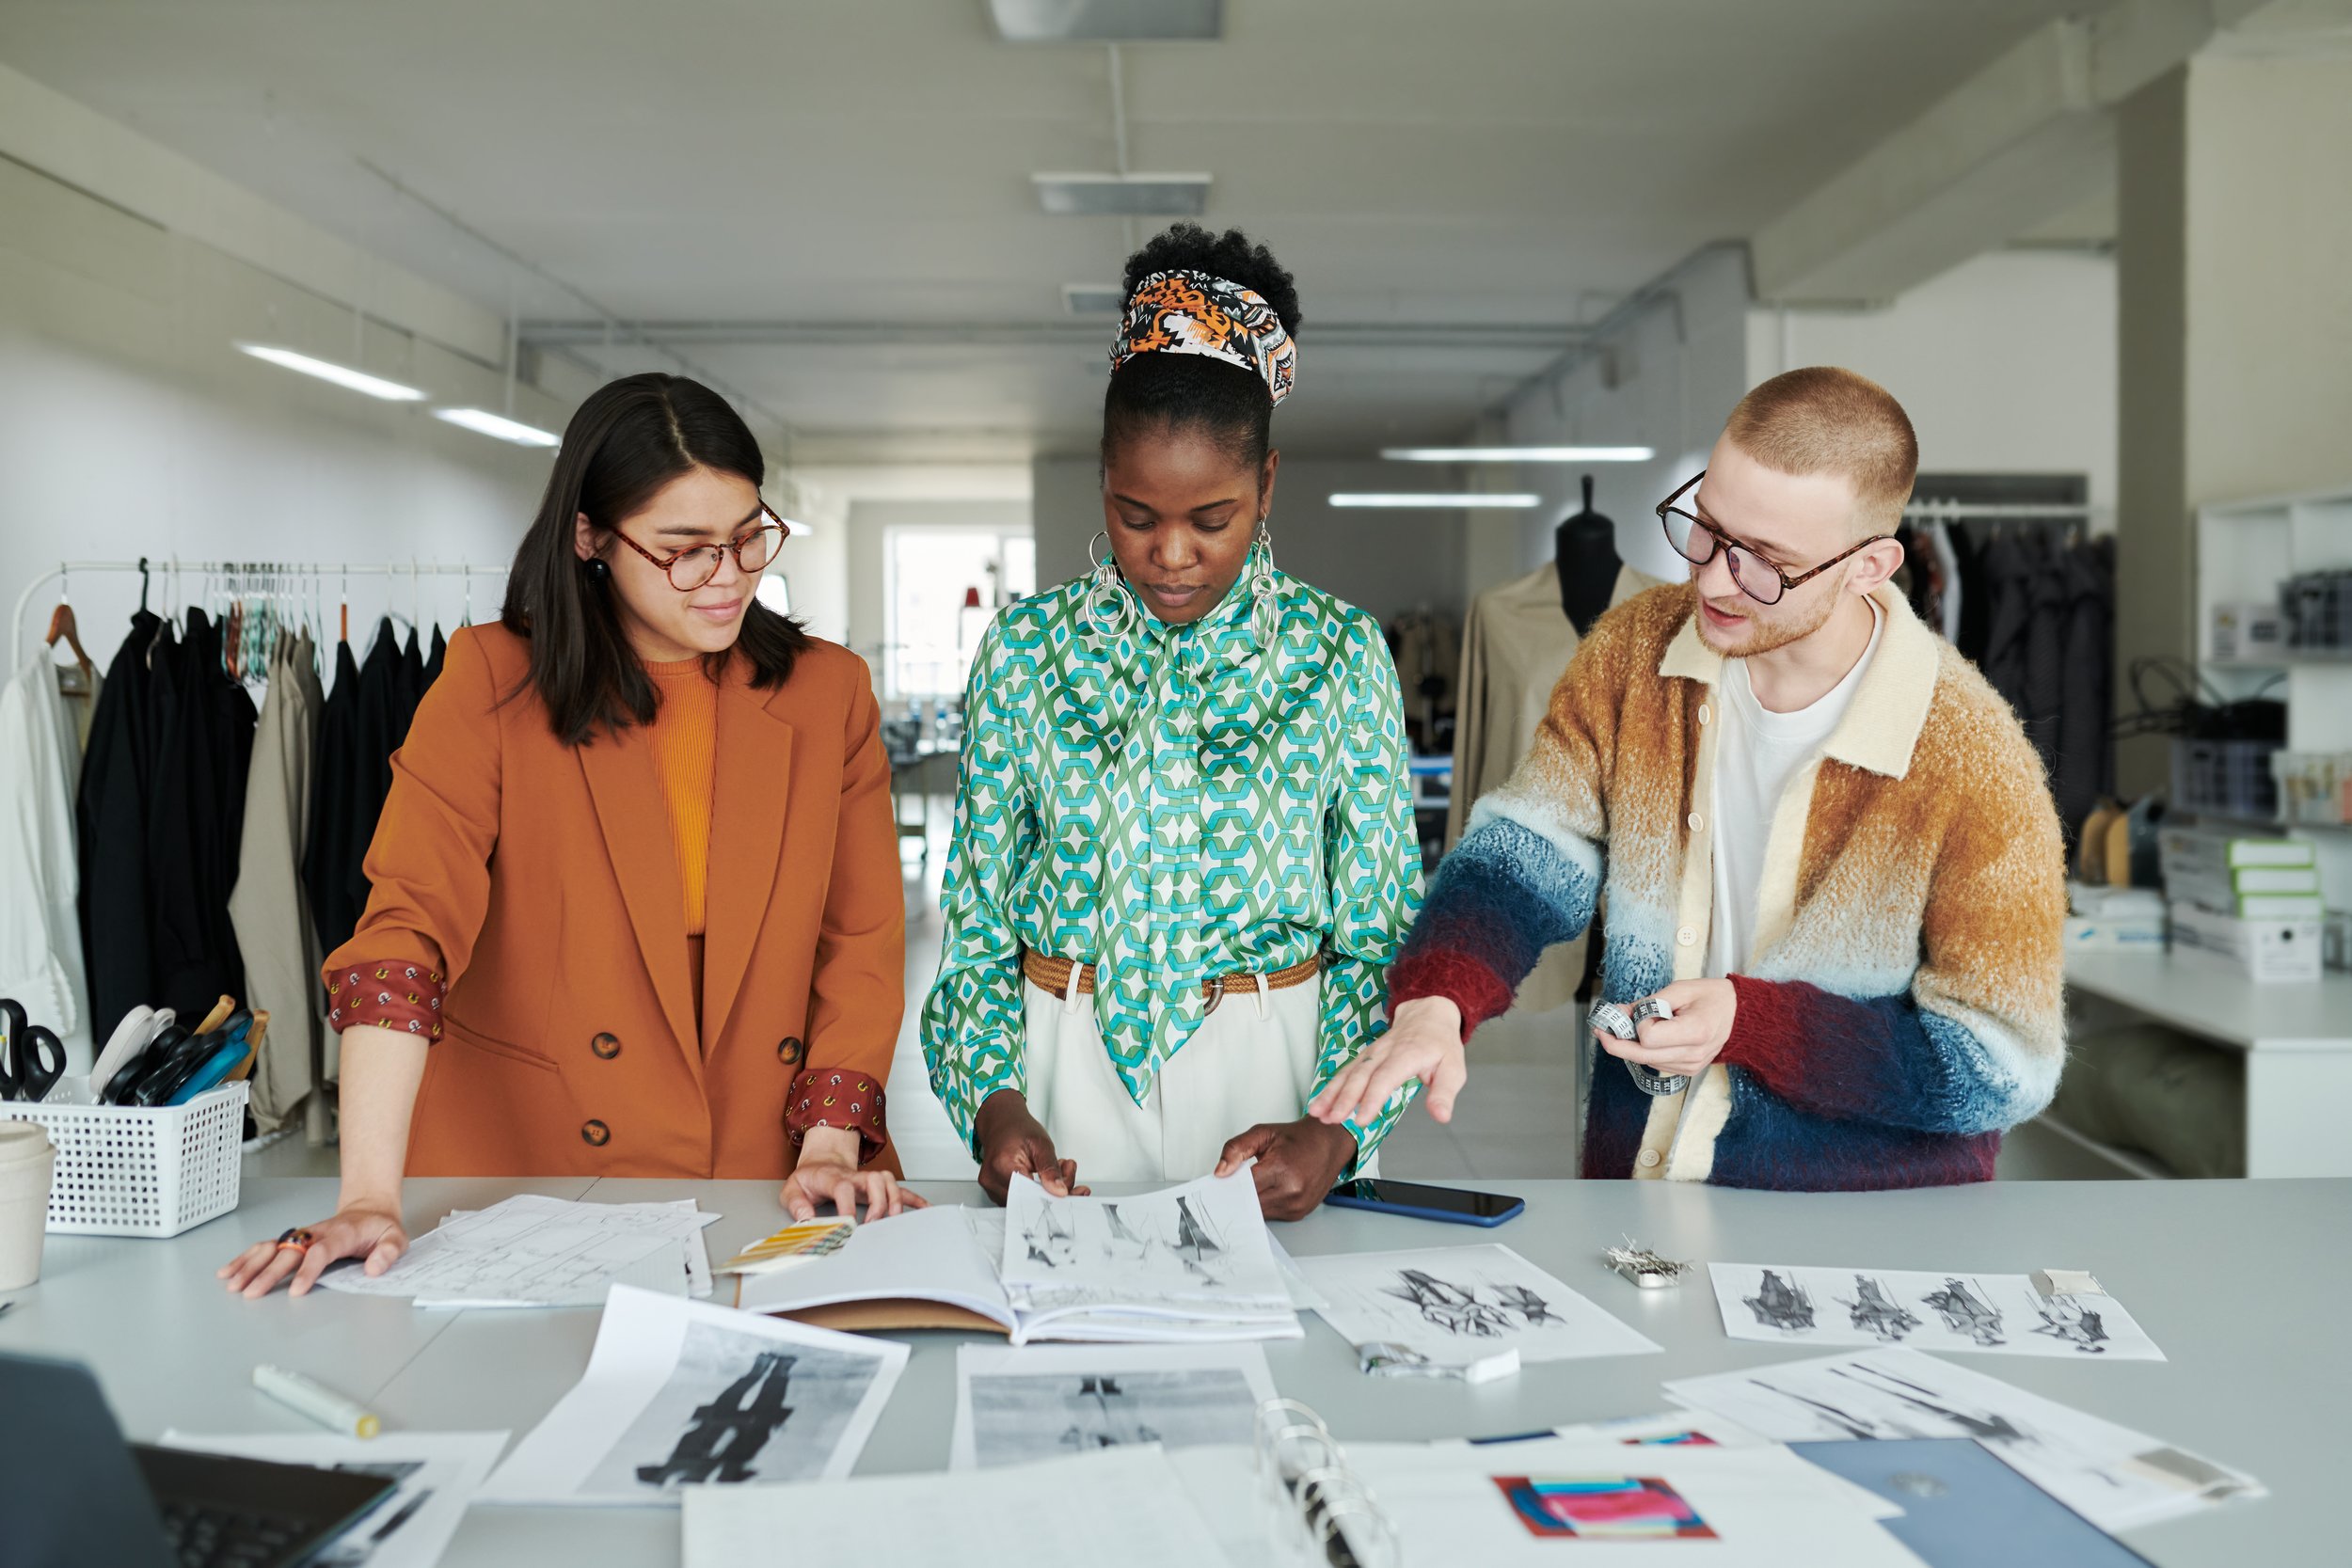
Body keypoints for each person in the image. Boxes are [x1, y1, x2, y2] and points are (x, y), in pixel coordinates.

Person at [222, 374, 918, 1299]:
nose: (730, 578)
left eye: (749, 537)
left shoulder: (827, 691)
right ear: (590, 537)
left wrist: (829, 1137)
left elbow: (860, 938)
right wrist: (365, 1193)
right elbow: (404, 937)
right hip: (536, 1170)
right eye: (684, 551)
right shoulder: (491, 679)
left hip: (770, 1160)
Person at [1312, 367, 2067, 1189]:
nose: (1711, 579)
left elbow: (2001, 1064)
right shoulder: (1636, 649)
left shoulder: (1973, 756)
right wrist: (1440, 997)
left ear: (1870, 565)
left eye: (1764, 562)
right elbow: (1528, 850)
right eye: (1705, 528)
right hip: (1642, 1197)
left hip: (1865, 1234)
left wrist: (1755, 1022)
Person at [920, 224, 1423, 1221]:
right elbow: (976, 925)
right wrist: (994, 1103)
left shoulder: (1339, 653)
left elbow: (1381, 934)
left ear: (1266, 486)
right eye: (1135, 514)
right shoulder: (1025, 651)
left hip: (1276, 1076)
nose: (1172, 555)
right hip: (1062, 1068)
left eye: (1213, 518)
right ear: (1100, 482)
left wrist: (1341, 1125)